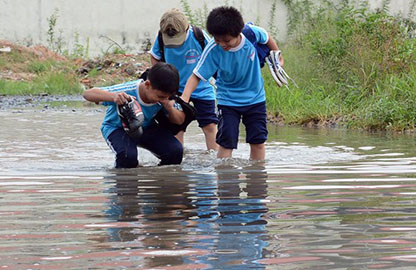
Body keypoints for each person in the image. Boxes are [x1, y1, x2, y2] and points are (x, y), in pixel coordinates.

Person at [181, 6, 282, 161]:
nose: (222, 44)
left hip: (256, 99)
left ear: (238, 33)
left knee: (258, 142)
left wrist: (278, 57)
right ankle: (225, 180)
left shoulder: (251, 34)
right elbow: (196, 76)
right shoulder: (213, 49)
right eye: (217, 39)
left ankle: (257, 180)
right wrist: (184, 98)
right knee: (226, 143)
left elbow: (267, 38)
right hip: (228, 101)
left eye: (227, 40)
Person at [83, 62, 185, 168]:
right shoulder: (128, 90)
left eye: (166, 97)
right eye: (160, 96)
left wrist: (169, 108)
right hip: (117, 128)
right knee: (127, 156)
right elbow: (87, 94)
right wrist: (114, 97)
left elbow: (180, 120)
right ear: (147, 85)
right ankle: (124, 181)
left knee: (175, 152)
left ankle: (160, 181)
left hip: (146, 127)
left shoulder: (167, 97)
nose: (163, 99)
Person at [150, 8, 218, 150]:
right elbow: (155, 56)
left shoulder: (199, 36)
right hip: (174, 90)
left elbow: (214, 55)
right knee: (176, 127)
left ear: (186, 29)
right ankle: (178, 162)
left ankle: (215, 161)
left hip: (202, 88)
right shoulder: (161, 37)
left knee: (210, 125)